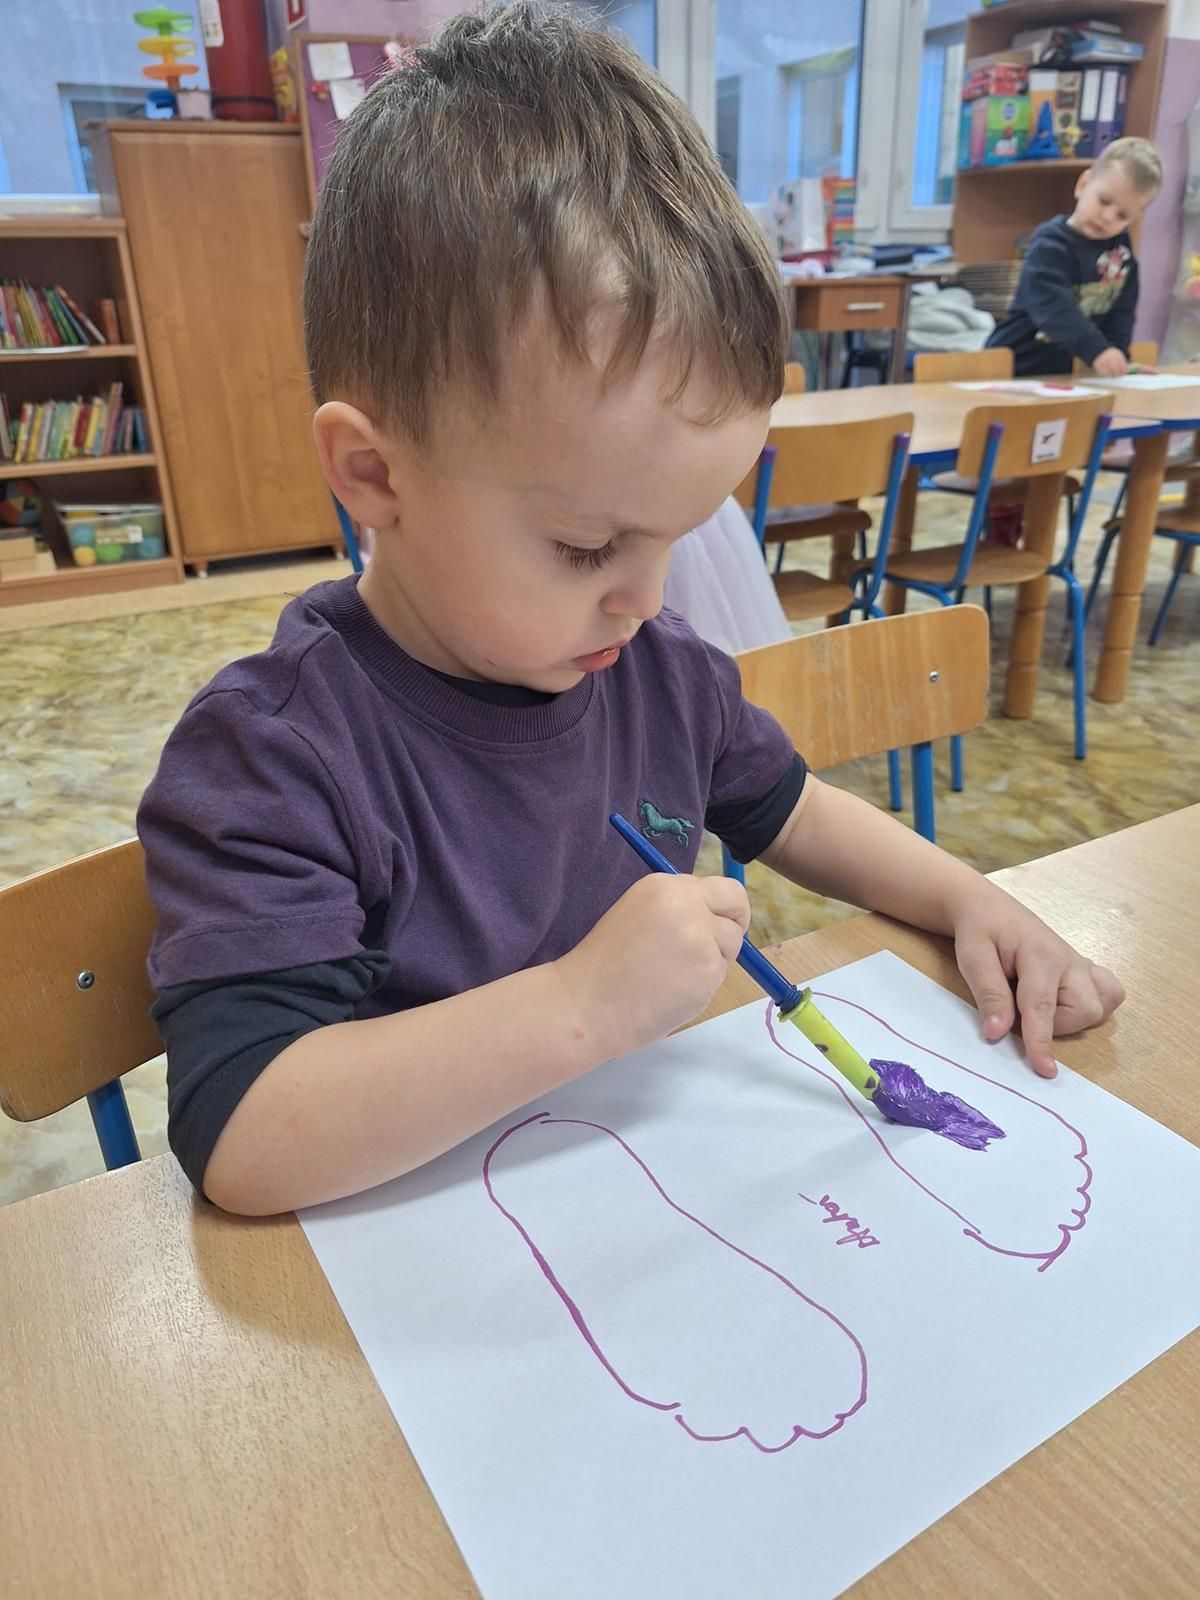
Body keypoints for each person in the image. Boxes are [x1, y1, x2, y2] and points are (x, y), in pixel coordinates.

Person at [138, 3, 1124, 1217]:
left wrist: (969, 898)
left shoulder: (649, 669)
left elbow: (796, 810)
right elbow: (244, 1137)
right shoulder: (275, 756)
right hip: (418, 1269)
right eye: (588, 545)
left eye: (684, 531)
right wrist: (578, 1008)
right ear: (374, 475)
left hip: (638, 1210)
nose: (648, 599)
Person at [987, 136, 1163, 378]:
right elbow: (1053, 308)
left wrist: (1119, 359)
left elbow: (1121, 312)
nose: (1108, 217)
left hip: (1067, 377)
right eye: (1104, 201)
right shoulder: (1050, 245)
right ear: (1083, 185)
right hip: (1011, 370)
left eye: (1122, 215)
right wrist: (1098, 350)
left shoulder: (1120, 252)